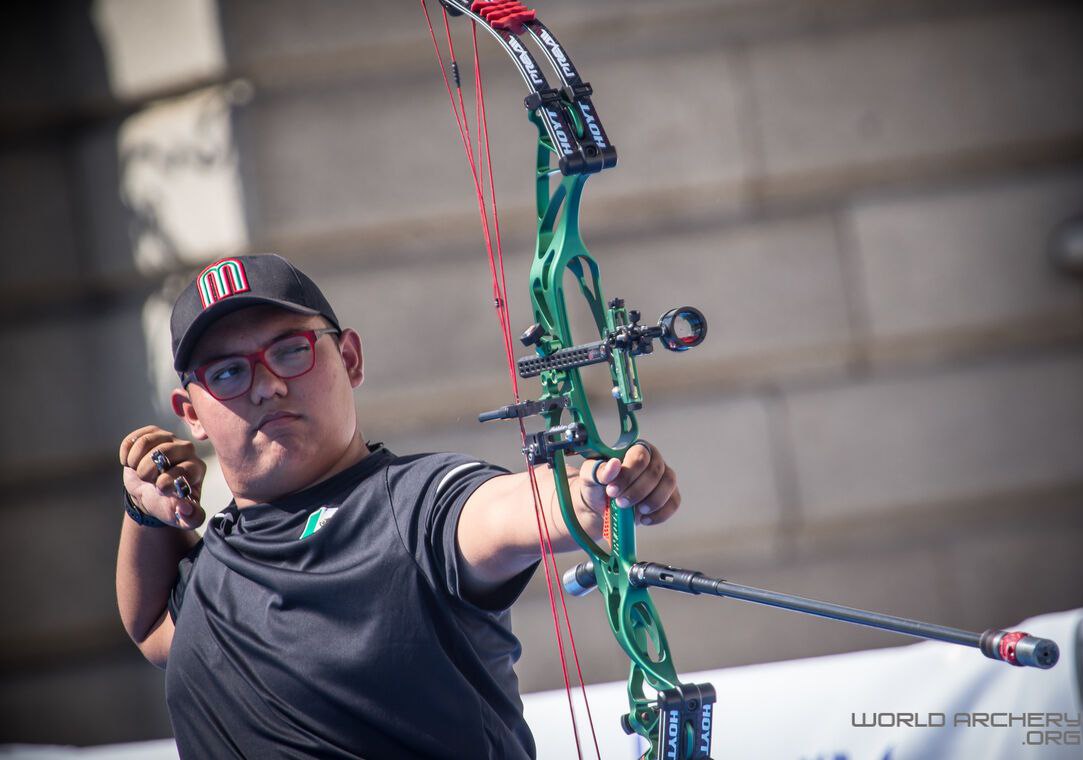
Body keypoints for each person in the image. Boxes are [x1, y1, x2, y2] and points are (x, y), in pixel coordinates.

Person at [115, 253, 682, 759]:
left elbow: (506, 510)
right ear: (190, 412)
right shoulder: (211, 568)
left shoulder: (413, 501)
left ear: (351, 358)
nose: (267, 386)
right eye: (229, 372)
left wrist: (592, 493)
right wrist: (144, 514)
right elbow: (150, 631)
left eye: (291, 350)